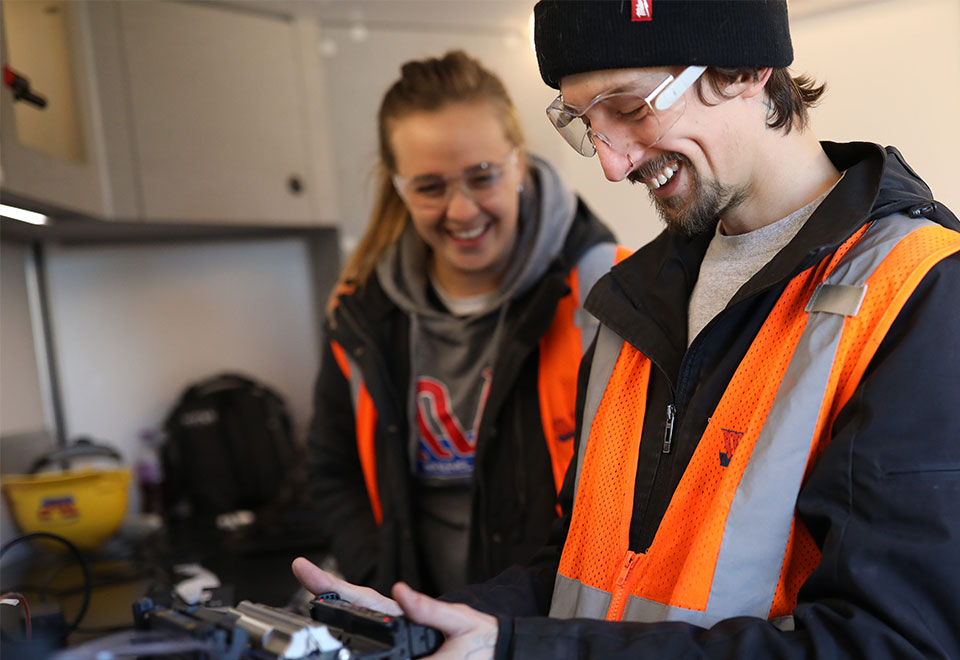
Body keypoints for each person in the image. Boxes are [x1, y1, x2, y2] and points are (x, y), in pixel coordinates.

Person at [294, 2, 960, 658]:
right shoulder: (632, 302)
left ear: (747, 67)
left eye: (633, 108)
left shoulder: (919, 291)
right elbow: (582, 567)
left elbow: (892, 641)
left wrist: (527, 647)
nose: (613, 164)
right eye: (586, 122)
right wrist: (441, 621)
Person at [305, 50, 624, 598]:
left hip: (552, 631)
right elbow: (332, 473)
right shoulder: (362, 314)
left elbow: (633, 497)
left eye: (482, 177)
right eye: (429, 187)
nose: (461, 211)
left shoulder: (612, 292)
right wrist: (383, 585)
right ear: (399, 187)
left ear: (519, 161)